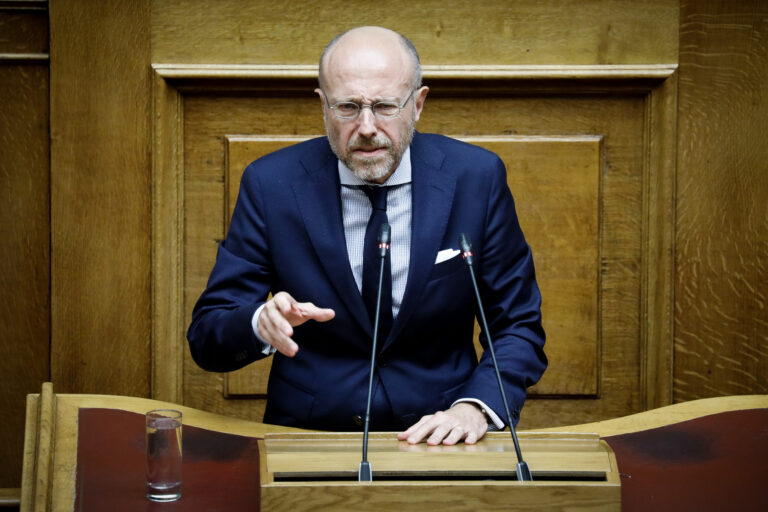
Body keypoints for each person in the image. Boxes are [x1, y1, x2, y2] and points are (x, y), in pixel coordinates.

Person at [187, 26, 546, 446]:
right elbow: (208, 335)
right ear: (323, 107)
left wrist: (476, 407)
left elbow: (517, 325)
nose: (367, 126)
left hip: (442, 437)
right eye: (347, 107)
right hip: (310, 437)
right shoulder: (271, 184)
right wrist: (258, 324)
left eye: (386, 106)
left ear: (418, 104)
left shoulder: (476, 179)